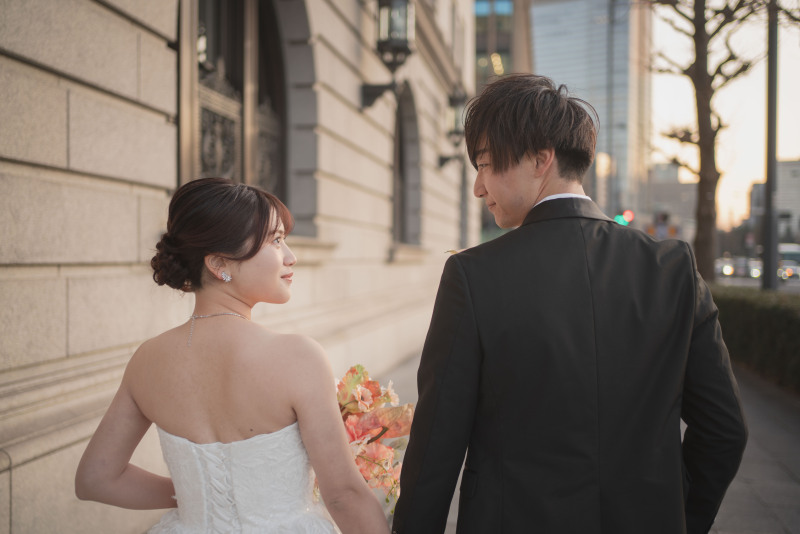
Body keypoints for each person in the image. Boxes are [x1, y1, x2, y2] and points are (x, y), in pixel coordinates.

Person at [391, 75, 747, 534]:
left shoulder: (474, 276)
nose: (478, 188)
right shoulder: (673, 269)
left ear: (542, 159)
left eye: (484, 164)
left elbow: (436, 447)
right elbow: (724, 431)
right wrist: (678, 518)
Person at [75, 177, 390, 534]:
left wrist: (197, 494)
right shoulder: (298, 356)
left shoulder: (147, 360)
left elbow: (96, 479)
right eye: (275, 240)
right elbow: (344, 496)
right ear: (219, 263)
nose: (291, 256)